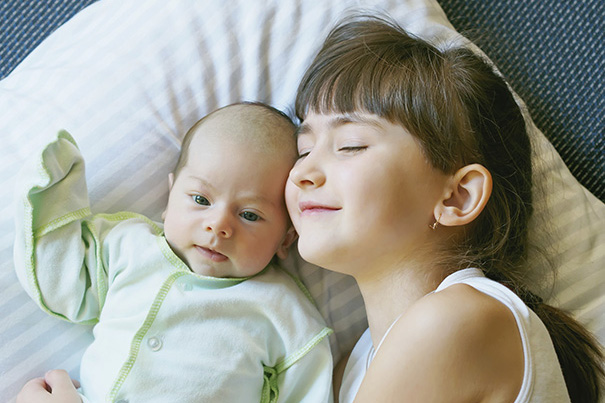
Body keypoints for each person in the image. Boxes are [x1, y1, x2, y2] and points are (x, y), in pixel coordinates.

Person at [286, 15, 604, 403]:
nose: (303, 171)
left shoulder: (460, 318)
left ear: (458, 197)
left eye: (350, 144)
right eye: (303, 150)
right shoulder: (352, 369)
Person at [14, 102, 333, 403]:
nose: (218, 225)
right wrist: (54, 193)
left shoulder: (286, 315)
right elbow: (63, 280)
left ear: (286, 239)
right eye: (200, 200)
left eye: (249, 214)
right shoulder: (130, 247)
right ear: (170, 197)